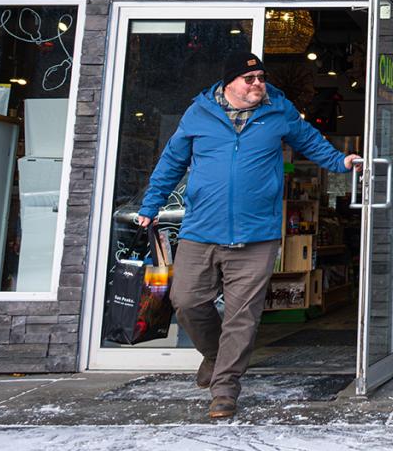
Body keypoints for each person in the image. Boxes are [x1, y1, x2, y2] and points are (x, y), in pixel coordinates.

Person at [136, 51, 363, 420]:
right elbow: (172, 161)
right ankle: (214, 355)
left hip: (257, 234)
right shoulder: (199, 114)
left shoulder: (279, 111)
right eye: (250, 78)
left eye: (261, 76)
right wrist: (151, 205)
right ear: (229, 84)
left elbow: (310, 140)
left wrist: (341, 161)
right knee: (187, 301)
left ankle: (225, 389)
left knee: (243, 317)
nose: (258, 83)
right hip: (201, 230)